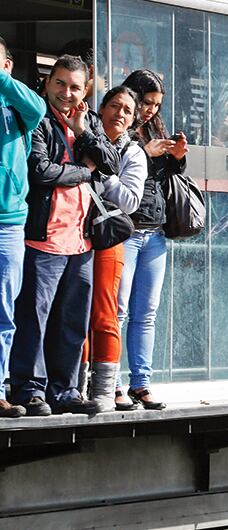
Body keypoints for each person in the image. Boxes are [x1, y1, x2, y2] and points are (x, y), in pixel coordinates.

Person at [11, 54, 120, 416]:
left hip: (81, 240)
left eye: (75, 87)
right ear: (47, 82)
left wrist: (84, 132)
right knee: (34, 319)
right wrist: (85, 170)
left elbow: (111, 163)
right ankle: (29, 389)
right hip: (42, 238)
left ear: (85, 90)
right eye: (59, 83)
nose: (66, 93)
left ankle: (65, 390)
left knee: (72, 322)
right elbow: (41, 171)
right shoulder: (36, 117)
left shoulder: (89, 120)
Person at [117, 68, 186, 410]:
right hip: (125, 230)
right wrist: (146, 152)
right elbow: (112, 169)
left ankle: (141, 383)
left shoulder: (155, 129)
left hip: (155, 230)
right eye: (146, 102)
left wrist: (177, 158)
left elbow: (162, 179)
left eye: (156, 105)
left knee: (146, 313)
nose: (150, 110)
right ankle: (109, 381)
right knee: (117, 311)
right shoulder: (118, 127)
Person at [83, 85, 147, 412]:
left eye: (127, 110)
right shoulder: (83, 136)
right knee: (74, 310)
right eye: (114, 106)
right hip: (71, 231)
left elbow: (131, 201)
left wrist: (102, 171)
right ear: (102, 107)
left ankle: (106, 390)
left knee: (106, 312)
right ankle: (74, 385)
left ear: (133, 119)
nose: (119, 114)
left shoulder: (133, 153)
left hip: (107, 237)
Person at [0, 36, 46, 418]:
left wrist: (1, 82)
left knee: (3, 312)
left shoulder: (17, 107)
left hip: (9, 225)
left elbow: (39, 108)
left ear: (7, 66)